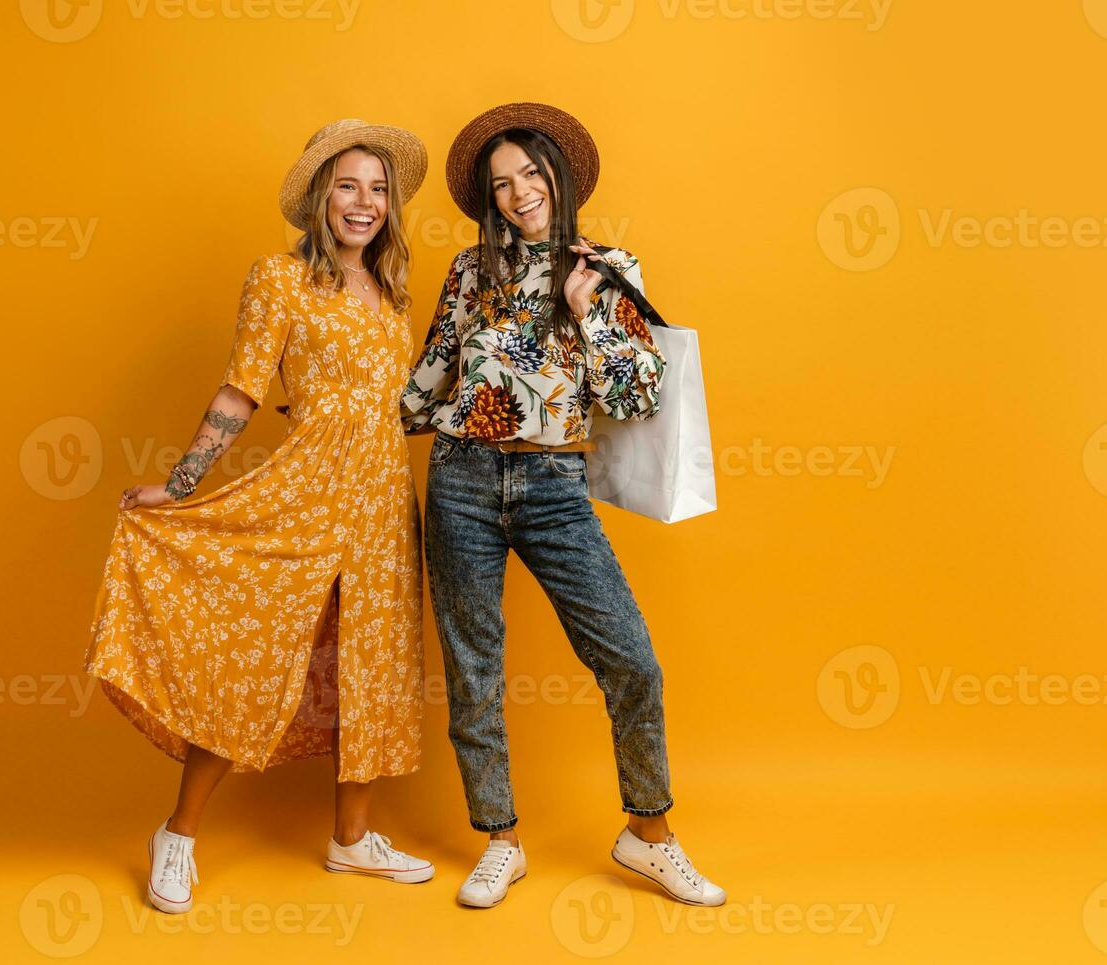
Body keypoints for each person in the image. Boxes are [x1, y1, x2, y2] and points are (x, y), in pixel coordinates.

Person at [86, 119, 434, 915]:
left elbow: (401, 404)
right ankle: (177, 835)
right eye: (348, 186)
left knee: (372, 665)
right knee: (256, 661)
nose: (365, 203)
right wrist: (180, 486)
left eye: (378, 190)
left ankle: (352, 840)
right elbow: (242, 388)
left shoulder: (390, 292)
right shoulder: (279, 279)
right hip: (306, 497)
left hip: (382, 504)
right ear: (319, 196)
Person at [402, 102, 726, 909]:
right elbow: (430, 377)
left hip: (554, 489)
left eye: (531, 175)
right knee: (474, 670)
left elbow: (639, 395)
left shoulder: (607, 268)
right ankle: (499, 841)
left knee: (630, 660)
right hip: (461, 480)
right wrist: (337, 417)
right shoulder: (469, 272)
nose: (519, 194)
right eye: (502, 184)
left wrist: (587, 312)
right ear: (488, 198)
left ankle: (647, 834)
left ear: (560, 176)